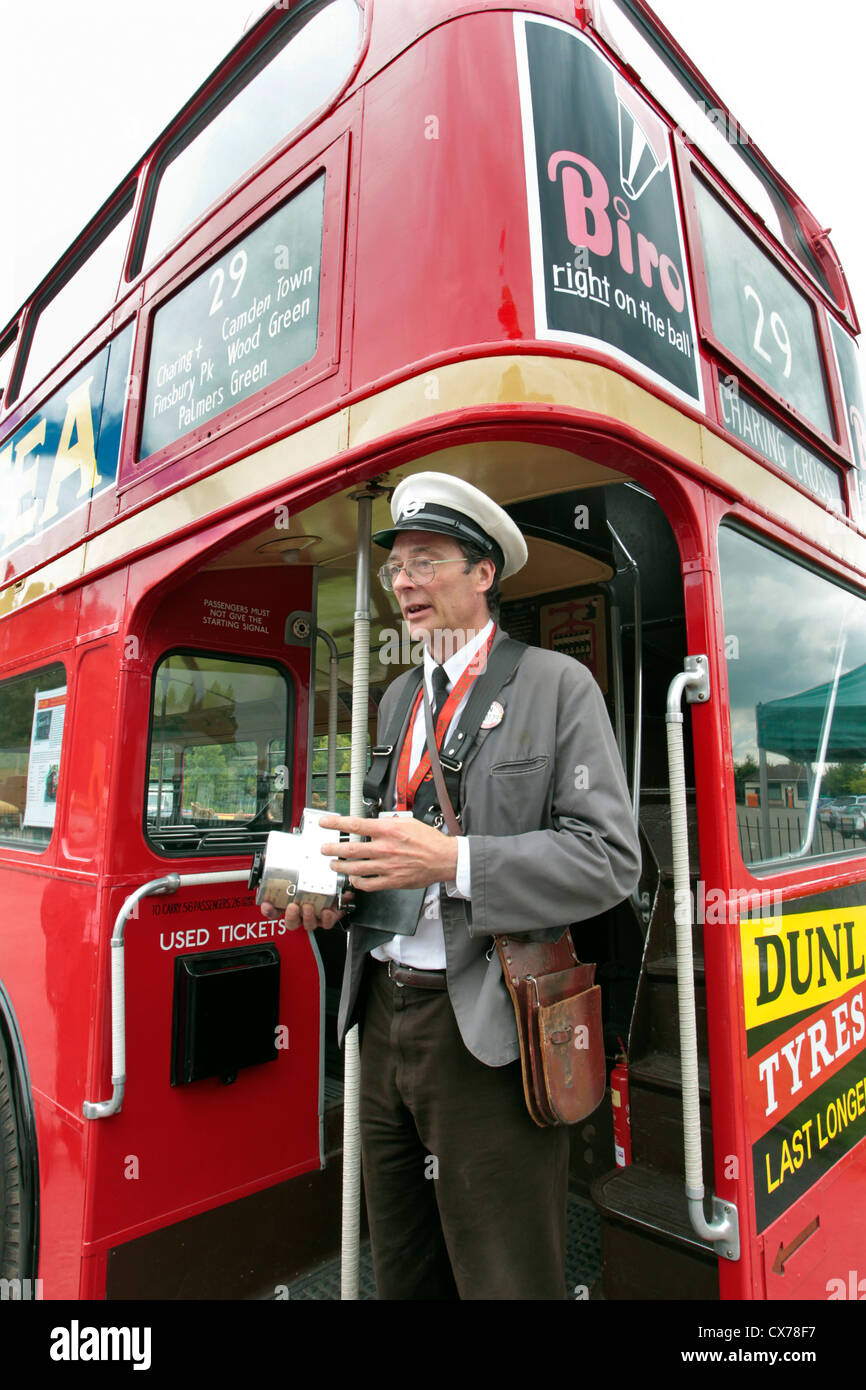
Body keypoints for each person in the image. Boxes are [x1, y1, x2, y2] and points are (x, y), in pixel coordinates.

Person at [262, 472, 641, 1299]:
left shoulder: (554, 685)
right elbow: (389, 844)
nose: (404, 583)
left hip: (491, 1030)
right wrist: (332, 894)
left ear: (483, 574)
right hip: (381, 1018)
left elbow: (611, 859)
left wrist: (454, 864)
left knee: (506, 1278)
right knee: (404, 1270)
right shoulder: (397, 696)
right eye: (396, 568)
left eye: (426, 561)